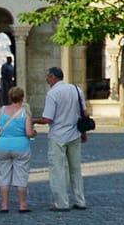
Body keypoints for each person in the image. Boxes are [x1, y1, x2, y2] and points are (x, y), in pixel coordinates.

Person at [32, 66, 89, 211]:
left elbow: (48, 119)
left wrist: (33, 120)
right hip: (75, 133)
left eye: (47, 77)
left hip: (58, 135)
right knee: (75, 169)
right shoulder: (76, 89)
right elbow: (84, 113)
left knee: (58, 170)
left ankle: (61, 203)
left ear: (52, 77)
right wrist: (84, 133)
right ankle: (80, 200)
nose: (46, 79)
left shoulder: (53, 93)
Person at [0, 86, 37, 212]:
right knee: (21, 177)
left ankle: (4, 205)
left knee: (3, 177)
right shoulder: (25, 113)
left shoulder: (2, 110)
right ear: (22, 97)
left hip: (3, 146)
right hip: (21, 147)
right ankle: (22, 204)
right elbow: (28, 132)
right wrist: (34, 132)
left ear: (10, 97)